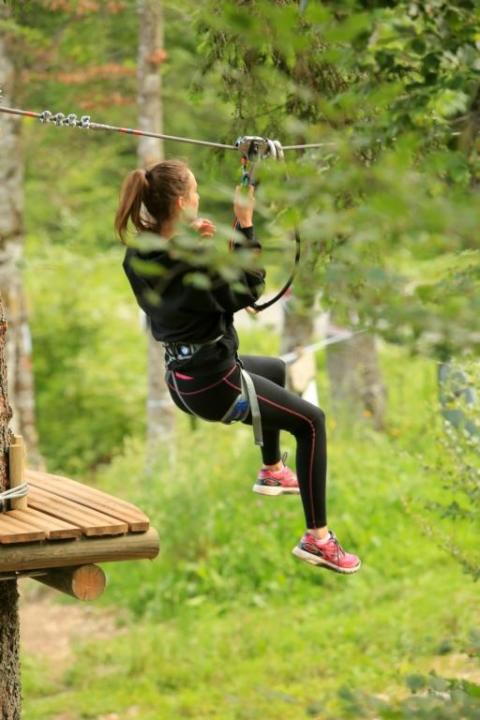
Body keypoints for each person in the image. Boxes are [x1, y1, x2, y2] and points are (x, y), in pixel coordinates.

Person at [115, 158, 361, 574]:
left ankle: (272, 470)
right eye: (194, 191)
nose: (197, 197)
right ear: (181, 202)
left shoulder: (139, 254)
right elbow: (249, 289)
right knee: (312, 422)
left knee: (275, 369)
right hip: (217, 385)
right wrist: (245, 225)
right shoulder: (194, 265)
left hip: (184, 380)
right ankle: (318, 539)